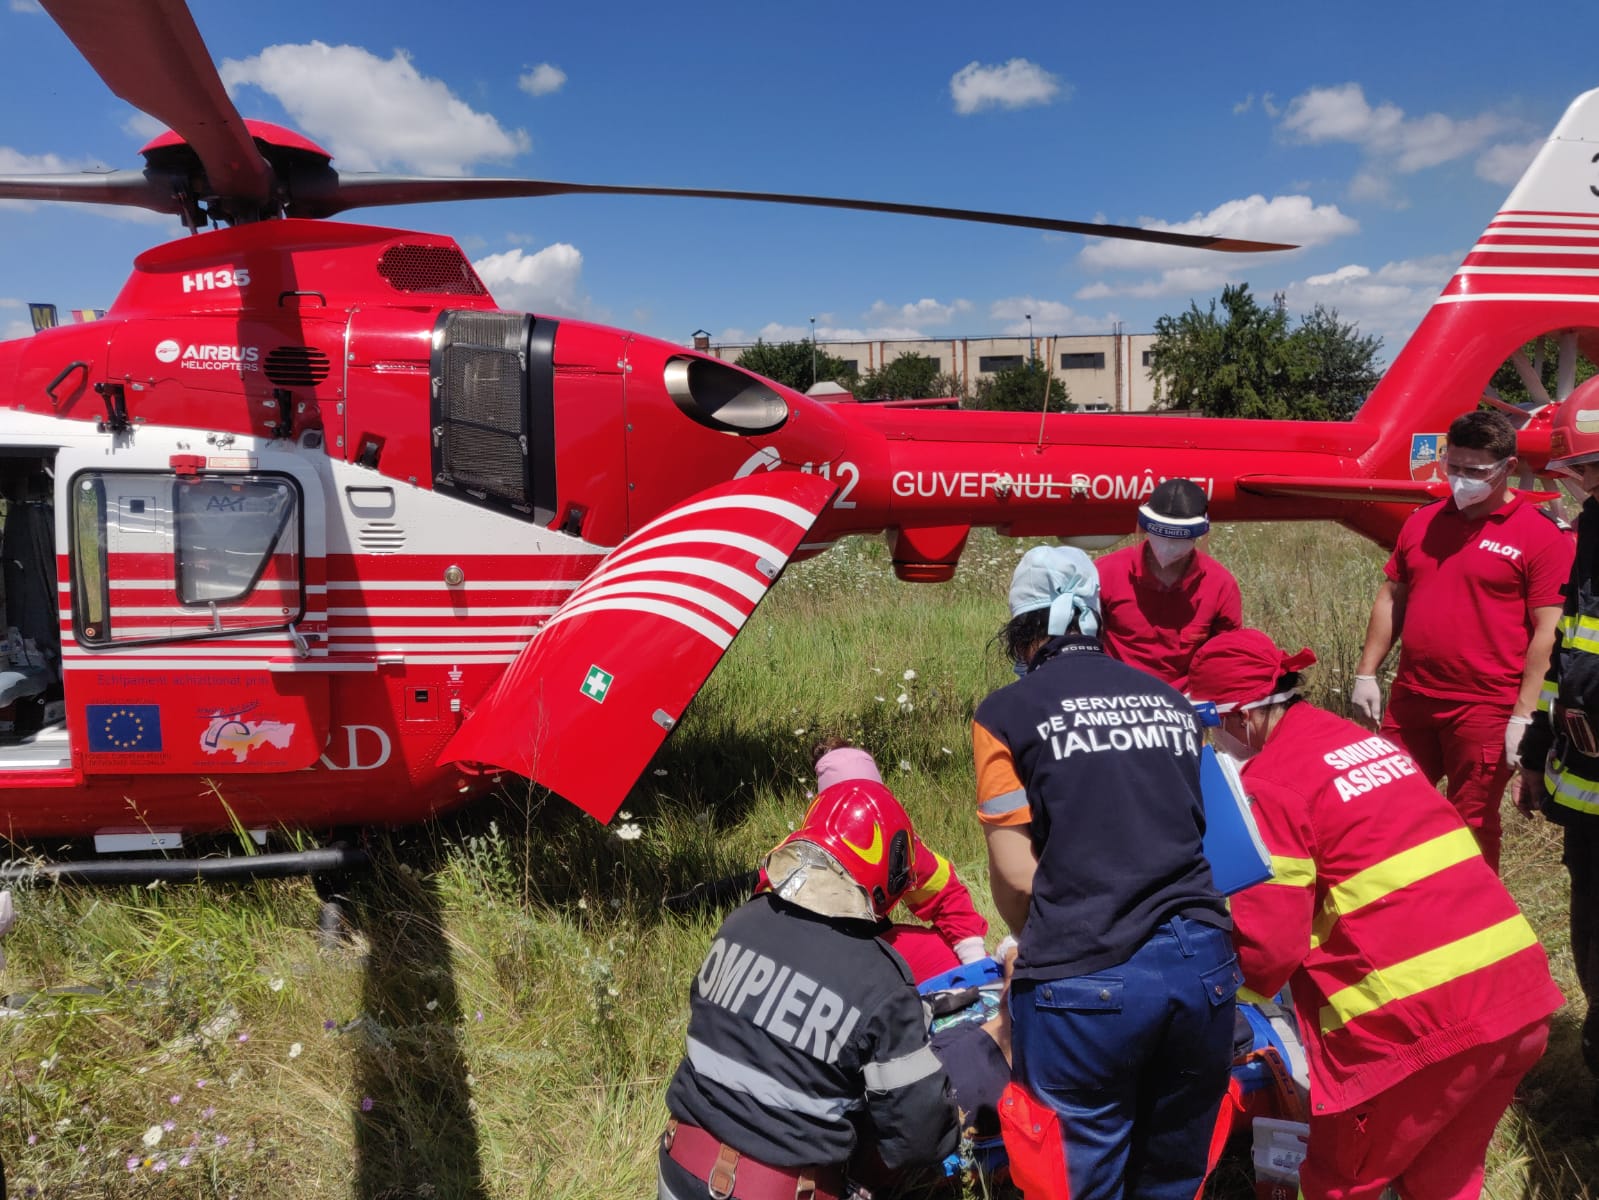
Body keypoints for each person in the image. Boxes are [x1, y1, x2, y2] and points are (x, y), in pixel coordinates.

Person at [1189, 628, 1562, 1200]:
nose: (1213, 741)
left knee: (1340, 1183)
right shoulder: (1364, 744)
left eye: (1210, 725)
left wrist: (1205, 987)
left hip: (1417, 1031)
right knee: (1444, 1181)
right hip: (1516, 999)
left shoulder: (1271, 787)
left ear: (1240, 718)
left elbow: (1268, 954)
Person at [972, 544, 1237, 1199]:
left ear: (1022, 631)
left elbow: (1017, 875)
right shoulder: (1172, 703)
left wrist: (1033, 943)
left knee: (1074, 1179)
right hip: (1203, 967)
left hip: (1086, 982)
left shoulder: (1004, 714)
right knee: (1172, 1178)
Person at [660, 779, 960, 1200]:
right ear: (888, 870)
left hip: (677, 1168)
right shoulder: (882, 979)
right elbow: (921, 1139)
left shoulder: (740, 923)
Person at [1351, 409, 1573, 872]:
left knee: (1470, 823)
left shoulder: (1539, 535)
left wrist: (1524, 715)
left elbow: (1547, 632)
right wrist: (1366, 672)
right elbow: (1392, 595)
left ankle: (1474, 910)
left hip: (1485, 707)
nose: (1461, 479)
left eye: (1476, 471)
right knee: (1385, 806)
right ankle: (1401, 899)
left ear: (1508, 467)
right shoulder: (1423, 522)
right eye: (1453, 466)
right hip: (1412, 699)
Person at [1514, 385, 1599, 1108]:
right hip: (1586, 791)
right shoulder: (1592, 532)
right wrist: (1537, 751)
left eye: (1592, 470)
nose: (1583, 486)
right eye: (1582, 473)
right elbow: (1571, 653)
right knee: (1591, 932)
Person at [812, 738, 989, 977]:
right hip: (820, 956)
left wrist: (975, 963)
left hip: (867, 945)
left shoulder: (899, 843)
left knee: (950, 958)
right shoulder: (805, 848)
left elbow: (946, 896)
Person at [1095, 477, 1242, 691]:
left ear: (1197, 535)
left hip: (1185, 699)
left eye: (1178, 538)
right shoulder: (1106, 572)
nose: (1168, 546)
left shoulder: (1220, 585)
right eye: (1160, 534)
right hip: (1116, 694)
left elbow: (1226, 656)